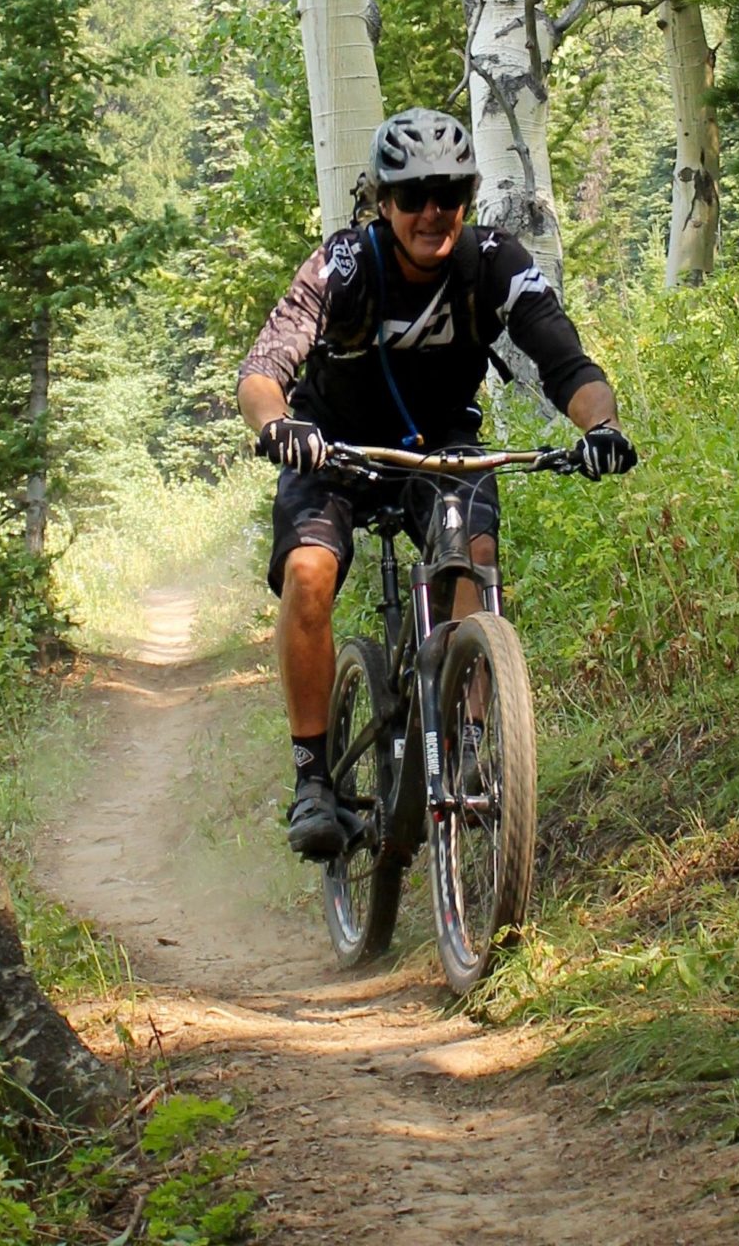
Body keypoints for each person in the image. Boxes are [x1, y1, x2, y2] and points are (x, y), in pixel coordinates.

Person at [238, 105, 638, 859]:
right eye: (413, 194)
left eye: (449, 192)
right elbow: (264, 369)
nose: (432, 211)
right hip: (333, 448)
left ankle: (479, 741)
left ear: (466, 195)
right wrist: (276, 427)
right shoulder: (342, 267)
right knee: (310, 570)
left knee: (472, 553)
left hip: (440, 445)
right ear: (381, 202)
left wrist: (600, 428)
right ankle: (313, 780)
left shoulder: (493, 261)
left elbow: (564, 360)